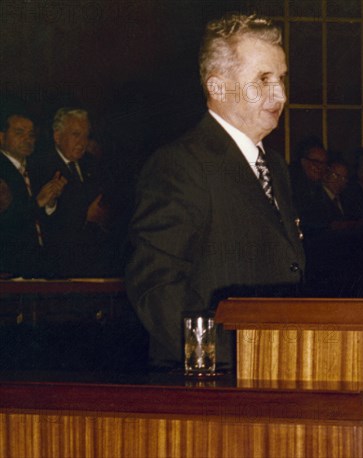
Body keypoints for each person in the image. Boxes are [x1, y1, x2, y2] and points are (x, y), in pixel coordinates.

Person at [126, 13, 305, 368]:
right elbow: (155, 287)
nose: (280, 94)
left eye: (281, 79)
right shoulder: (180, 165)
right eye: (264, 80)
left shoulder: (277, 168)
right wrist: (224, 358)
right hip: (214, 385)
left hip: (272, 373)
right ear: (218, 87)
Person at [33, 108, 115, 277]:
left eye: (86, 136)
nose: (82, 142)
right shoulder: (40, 166)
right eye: (76, 135)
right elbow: (43, 218)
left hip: (94, 261)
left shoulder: (92, 164)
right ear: (57, 137)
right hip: (58, 265)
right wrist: (86, 215)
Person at [0, 112, 67, 277]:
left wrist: (50, 203)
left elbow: (47, 221)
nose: (27, 139)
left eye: (31, 134)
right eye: (19, 133)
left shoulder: (36, 168)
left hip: (39, 265)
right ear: (1, 137)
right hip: (9, 269)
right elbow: (6, 222)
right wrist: (37, 202)